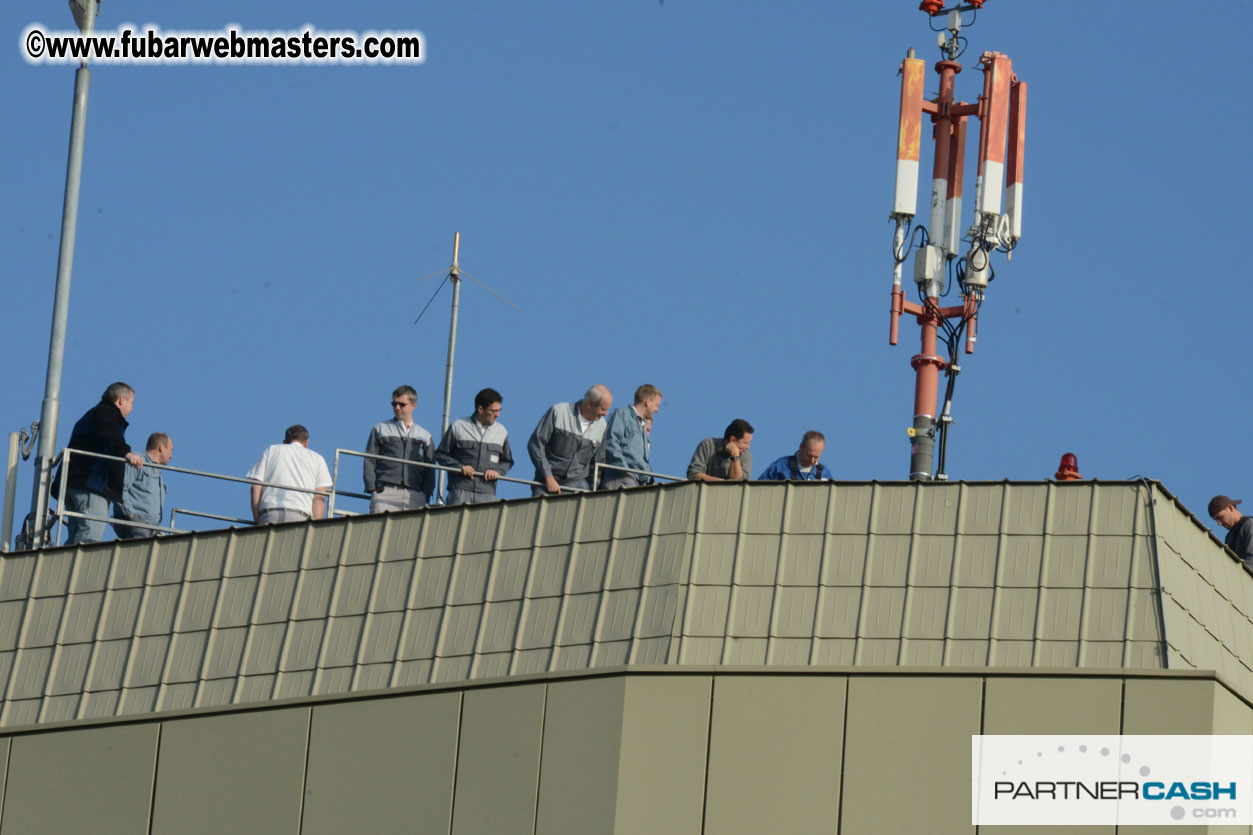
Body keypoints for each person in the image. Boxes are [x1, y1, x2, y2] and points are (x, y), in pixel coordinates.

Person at [54, 382, 144, 545]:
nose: (132, 408)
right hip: (90, 484)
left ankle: (66, 567)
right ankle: (79, 569)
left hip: (76, 482)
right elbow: (109, 434)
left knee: (76, 534)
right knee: (90, 534)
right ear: (122, 400)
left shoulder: (95, 414)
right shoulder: (106, 414)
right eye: (132, 402)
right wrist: (127, 453)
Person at [363, 385, 437, 513]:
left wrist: (425, 494)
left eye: (401, 404)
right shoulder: (380, 429)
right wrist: (372, 487)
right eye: (394, 404)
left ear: (414, 405)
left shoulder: (425, 435)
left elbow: (430, 468)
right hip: (384, 492)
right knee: (380, 531)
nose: (397, 408)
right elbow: (370, 459)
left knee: (412, 532)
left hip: (415, 495)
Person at [528, 384, 613, 495]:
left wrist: (591, 490)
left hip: (577, 487)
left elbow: (597, 463)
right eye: (603, 409)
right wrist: (548, 477)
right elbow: (535, 445)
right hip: (545, 485)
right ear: (591, 404)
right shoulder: (558, 412)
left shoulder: (602, 426)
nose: (605, 414)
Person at [436, 388, 513, 505]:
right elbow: (441, 454)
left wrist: (497, 472)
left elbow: (507, 461)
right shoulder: (459, 426)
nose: (498, 415)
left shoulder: (501, 431)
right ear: (480, 409)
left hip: (487, 494)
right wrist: (460, 467)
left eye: (499, 410)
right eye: (494, 411)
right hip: (459, 491)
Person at [246, 425, 332, 524]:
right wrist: (315, 527)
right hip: (301, 517)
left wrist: (258, 519)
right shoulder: (318, 459)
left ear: (284, 442)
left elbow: (255, 487)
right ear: (306, 442)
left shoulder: (271, 450)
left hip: (270, 514)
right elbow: (320, 498)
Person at [601, 384, 663, 489]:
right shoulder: (622, 414)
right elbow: (610, 442)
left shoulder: (642, 427)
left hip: (636, 482)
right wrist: (625, 470)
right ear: (648, 402)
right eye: (657, 405)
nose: (657, 410)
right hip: (620, 480)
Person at [112, 433, 173, 539]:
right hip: (136, 524)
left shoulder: (156, 471)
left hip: (150, 528)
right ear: (161, 447)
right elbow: (119, 488)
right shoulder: (137, 461)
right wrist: (132, 516)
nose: (171, 455)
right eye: (170, 450)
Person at [687, 419, 754, 482]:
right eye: (745, 443)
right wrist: (720, 483)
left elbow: (739, 484)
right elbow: (693, 474)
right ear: (732, 439)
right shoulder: (708, 445)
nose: (748, 447)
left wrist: (735, 455)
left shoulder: (746, 455)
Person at [758, 430, 833, 481]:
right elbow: (761, 489)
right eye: (809, 456)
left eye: (816, 457)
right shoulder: (780, 466)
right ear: (801, 447)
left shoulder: (824, 473)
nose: (812, 460)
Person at [1208, 495, 1253, 566]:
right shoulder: (1229, 537)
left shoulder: (1249, 525)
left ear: (1230, 508)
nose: (1219, 523)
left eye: (1220, 517)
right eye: (1216, 520)